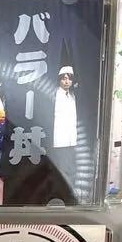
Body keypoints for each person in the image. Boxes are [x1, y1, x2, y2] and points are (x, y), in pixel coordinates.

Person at [50, 65, 80, 195]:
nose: (66, 81)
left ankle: (71, 191)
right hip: (59, 137)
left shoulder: (73, 96)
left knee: (72, 166)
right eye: (64, 78)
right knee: (61, 167)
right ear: (59, 80)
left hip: (71, 138)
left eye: (69, 79)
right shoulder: (55, 95)